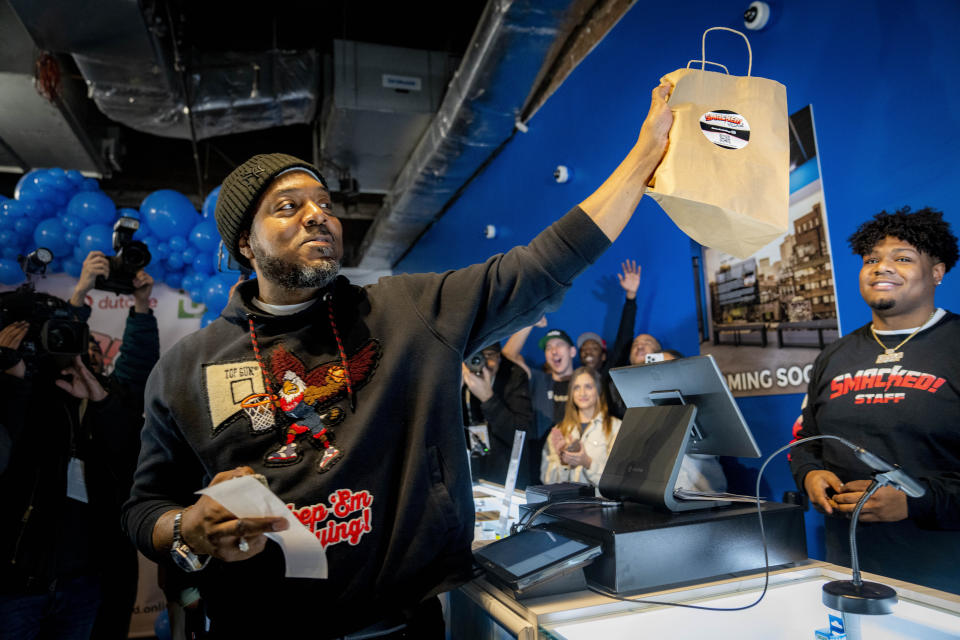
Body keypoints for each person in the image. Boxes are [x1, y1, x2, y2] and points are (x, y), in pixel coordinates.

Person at [121, 83, 673, 638]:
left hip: (402, 627)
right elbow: (144, 509)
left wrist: (643, 157)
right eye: (288, 207)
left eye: (324, 205)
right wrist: (184, 527)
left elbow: (539, 267)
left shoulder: (407, 310)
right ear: (245, 243)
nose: (318, 216)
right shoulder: (185, 370)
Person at [789, 206, 960, 594]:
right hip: (851, 569)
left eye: (902, 258)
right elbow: (805, 441)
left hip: (944, 576)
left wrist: (916, 502)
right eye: (871, 259)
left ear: (937, 272)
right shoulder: (835, 355)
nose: (882, 267)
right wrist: (810, 475)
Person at [0, 252, 159, 640]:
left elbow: (137, 374)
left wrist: (140, 307)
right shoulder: (29, 399)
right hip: (18, 586)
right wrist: (13, 380)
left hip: (86, 583)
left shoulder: (104, 399)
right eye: (67, 345)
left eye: (86, 349)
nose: (79, 354)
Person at [501, 323, 576, 483]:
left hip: (576, 463)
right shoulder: (538, 379)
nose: (554, 350)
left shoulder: (583, 384)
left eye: (559, 344)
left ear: (572, 351)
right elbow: (507, 355)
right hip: (541, 466)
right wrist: (530, 321)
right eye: (548, 347)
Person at [461, 343, 533, 488]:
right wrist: (454, 390)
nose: (483, 363)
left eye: (489, 355)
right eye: (476, 356)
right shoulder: (460, 380)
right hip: (472, 478)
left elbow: (520, 434)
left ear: (499, 356)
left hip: (506, 481)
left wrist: (488, 398)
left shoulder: (514, 375)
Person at [541, 367, 621, 487]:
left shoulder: (616, 427)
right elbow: (546, 480)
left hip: (600, 504)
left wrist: (587, 463)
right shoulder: (560, 430)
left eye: (588, 386)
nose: (582, 393)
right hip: (565, 503)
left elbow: (618, 480)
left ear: (598, 390)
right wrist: (563, 463)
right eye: (576, 387)